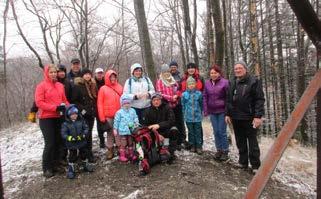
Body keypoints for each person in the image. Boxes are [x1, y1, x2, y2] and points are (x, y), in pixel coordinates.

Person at [225, 60, 265, 174]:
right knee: (240, 140)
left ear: (245, 69)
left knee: (252, 142)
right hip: (236, 117)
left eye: (240, 68)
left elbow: (259, 99)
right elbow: (228, 99)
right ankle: (243, 162)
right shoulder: (232, 81)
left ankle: (255, 165)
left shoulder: (254, 81)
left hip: (250, 117)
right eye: (236, 68)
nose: (237, 70)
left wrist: (258, 116)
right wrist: (228, 113)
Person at [35, 64, 69, 178]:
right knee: (50, 143)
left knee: (59, 141)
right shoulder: (41, 86)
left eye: (55, 72)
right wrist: (55, 108)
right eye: (51, 72)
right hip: (46, 118)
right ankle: (47, 168)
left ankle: (56, 164)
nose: (53, 74)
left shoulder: (60, 85)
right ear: (46, 73)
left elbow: (64, 100)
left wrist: (72, 108)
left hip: (58, 117)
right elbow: (39, 102)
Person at [156, 64, 185, 151]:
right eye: (164, 72)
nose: (166, 73)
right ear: (162, 72)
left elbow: (178, 89)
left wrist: (176, 95)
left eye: (168, 71)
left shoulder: (172, 80)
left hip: (176, 104)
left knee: (178, 123)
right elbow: (159, 93)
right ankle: (169, 143)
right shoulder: (160, 81)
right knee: (169, 124)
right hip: (166, 106)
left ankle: (179, 142)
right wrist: (170, 98)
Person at [142, 93, 178, 163]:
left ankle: (171, 153)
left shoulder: (167, 107)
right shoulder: (147, 111)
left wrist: (159, 125)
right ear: (151, 101)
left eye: (158, 100)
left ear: (161, 100)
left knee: (174, 130)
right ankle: (155, 153)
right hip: (154, 134)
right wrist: (157, 135)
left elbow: (172, 120)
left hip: (166, 130)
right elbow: (145, 126)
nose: (156, 102)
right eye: (154, 100)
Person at [203, 65, 229, 161]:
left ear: (219, 73)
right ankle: (219, 150)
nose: (213, 75)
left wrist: (228, 112)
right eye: (211, 73)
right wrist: (206, 110)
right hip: (212, 111)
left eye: (215, 73)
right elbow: (205, 96)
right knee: (216, 131)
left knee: (222, 132)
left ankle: (225, 151)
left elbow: (228, 98)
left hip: (222, 111)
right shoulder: (207, 83)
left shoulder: (225, 82)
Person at [61, 105, 94, 179]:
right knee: (72, 155)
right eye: (72, 114)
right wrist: (69, 138)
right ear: (69, 115)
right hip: (72, 143)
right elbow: (63, 134)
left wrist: (83, 135)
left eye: (75, 114)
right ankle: (71, 168)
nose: (74, 116)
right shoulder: (65, 124)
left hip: (81, 141)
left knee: (84, 153)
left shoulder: (81, 121)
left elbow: (86, 128)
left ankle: (85, 164)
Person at [71, 68, 97, 162]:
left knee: (89, 134)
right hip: (83, 115)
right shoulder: (78, 86)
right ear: (82, 76)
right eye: (85, 74)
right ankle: (84, 154)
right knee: (84, 134)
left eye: (89, 74)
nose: (87, 76)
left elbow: (94, 99)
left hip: (91, 114)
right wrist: (83, 111)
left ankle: (89, 153)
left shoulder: (92, 85)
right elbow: (74, 101)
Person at [97, 70, 123, 160]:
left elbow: (124, 100)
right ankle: (110, 149)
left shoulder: (120, 87)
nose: (112, 78)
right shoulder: (103, 89)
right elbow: (99, 103)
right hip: (108, 115)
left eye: (114, 77)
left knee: (119, 132)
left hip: (119, 115)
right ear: (107, 78)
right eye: (111, 77)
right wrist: (102, 117)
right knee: (110, 133)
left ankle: (120, 148)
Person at [113, 94, 139, 162]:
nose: (127, 105)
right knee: (123, 143)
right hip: (123, 131)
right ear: (122, 104)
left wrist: (136, 123)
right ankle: (122, 155)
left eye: (128, 103)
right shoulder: (119, 112)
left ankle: (131, 154)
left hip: (131, 131)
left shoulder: (132, 110)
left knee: (130, 142)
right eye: (125, 103)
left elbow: (135, 117)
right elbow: (116, 121)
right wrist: (115, 129)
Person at [181, 77, 203, 154]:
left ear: (195, 84)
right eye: (189, 84)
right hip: (188, 117)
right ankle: (192, 146)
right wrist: (184, 114)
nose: (191, 85)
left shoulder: (199, 94)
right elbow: (183, 105)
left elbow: (201, 104)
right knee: (191, 132)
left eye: (192, 84)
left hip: (197, 117)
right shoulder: (184, 94)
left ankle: (199, 146)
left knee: (198, 132)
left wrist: (201, 113)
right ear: (187, 85)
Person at [94, 67, 106, 148]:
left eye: (101, 73)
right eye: (98, 73)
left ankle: (111, 140)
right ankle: (102, 141)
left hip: (106, 104)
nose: (100, 74)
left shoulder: (106, 81)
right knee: (99, 125)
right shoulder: (93, 82)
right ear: (95, 74)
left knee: (108, 123)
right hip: (97, 105)